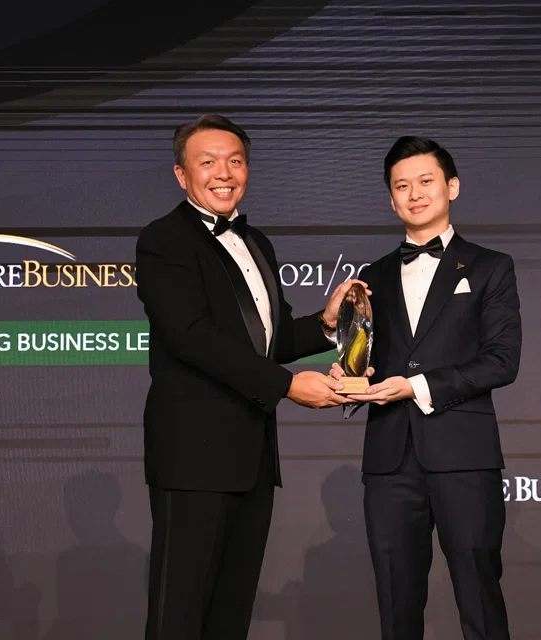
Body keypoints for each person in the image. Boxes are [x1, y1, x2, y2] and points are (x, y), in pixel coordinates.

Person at [135, 114, 363, 640]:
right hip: (192, 459)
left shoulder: (256, 240)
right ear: (180, 174)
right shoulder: (163, 240)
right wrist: (286, 386)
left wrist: (327, 324)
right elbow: (190, 336)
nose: (224, 172)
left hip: (252, 461)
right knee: (179, 617)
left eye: (235, 161)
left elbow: (270, 340)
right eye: (208, 161)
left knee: (229, 618)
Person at [331, 136, 522, 640]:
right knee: (396, 605)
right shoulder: (369, 278)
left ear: (451, 186)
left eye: (426, 181)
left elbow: (502, 362)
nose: (414, 194)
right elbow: (360, 361)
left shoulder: (490, 267)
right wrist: (347, 379)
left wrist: (414, 386)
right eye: (402, 186)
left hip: (464, 456)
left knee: (480, 598)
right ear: (391, 200)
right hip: (390, 461)